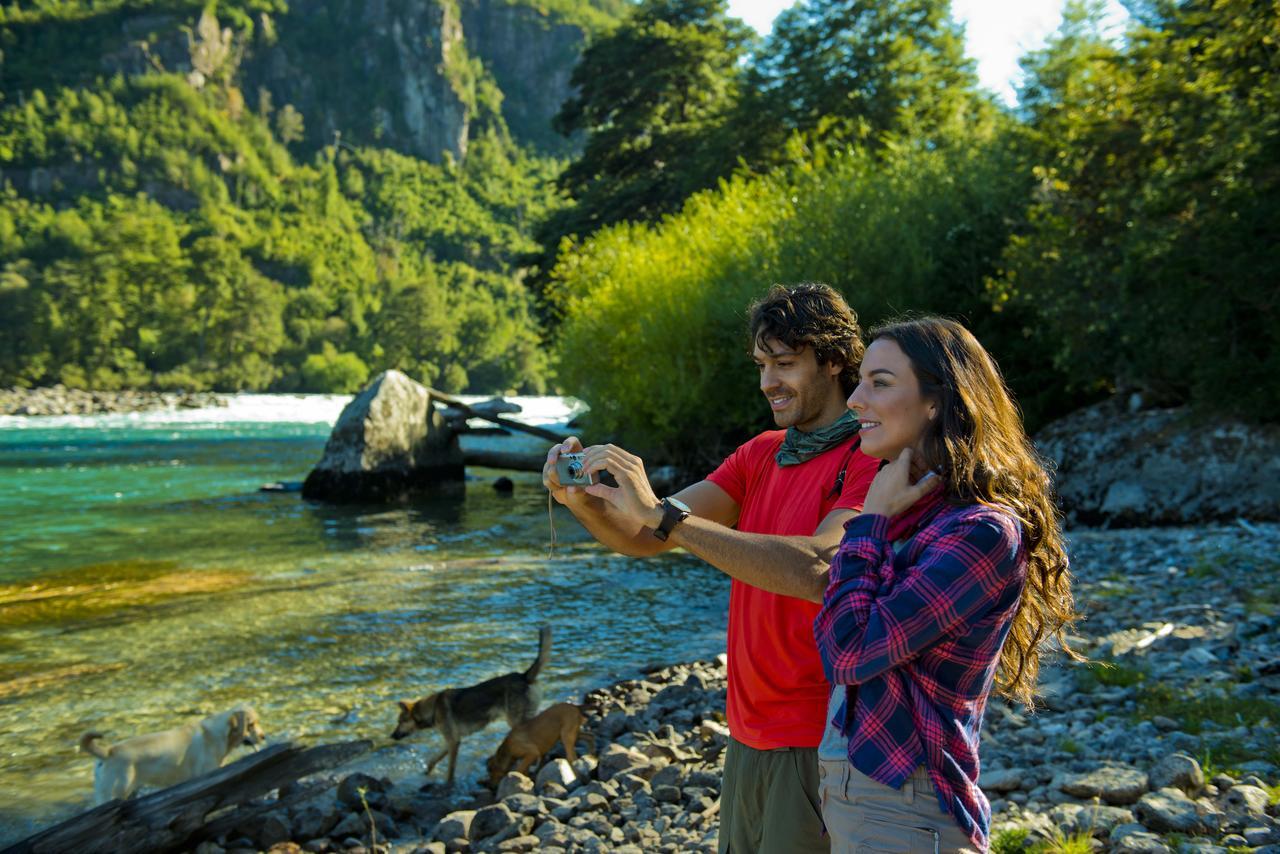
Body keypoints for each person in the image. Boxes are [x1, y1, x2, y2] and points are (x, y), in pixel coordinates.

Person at [544, 283, 879, 853]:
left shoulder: (870, 457)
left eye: (785, 364)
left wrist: (663, 515)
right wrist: (586, 502)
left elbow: (821, 567)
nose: (767, 382)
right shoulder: (761, 453)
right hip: (746, 734)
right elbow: (648, 537)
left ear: (836, 360)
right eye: (761, 365)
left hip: (818, 734)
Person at [813, 317, 1082, 853]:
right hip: (865, 793)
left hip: (904, 803)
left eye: (880, 382)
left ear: (937, 401)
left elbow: (847, 650)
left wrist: (868, 523)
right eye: (860, 381)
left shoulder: (979, 533)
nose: (854, 401)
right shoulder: (914, 513)